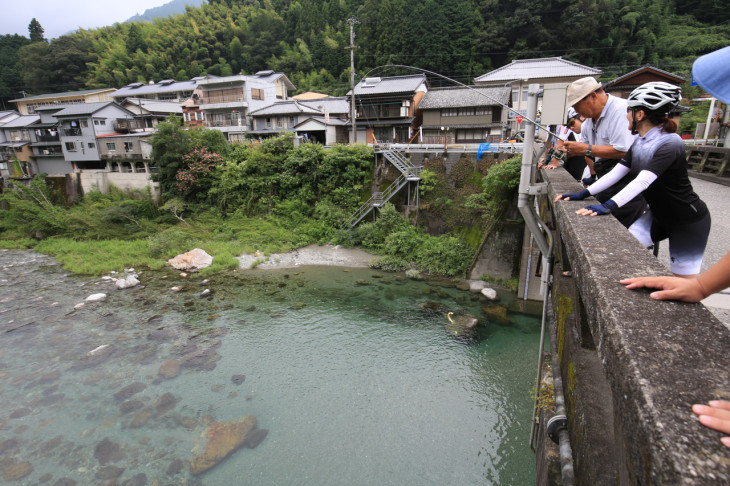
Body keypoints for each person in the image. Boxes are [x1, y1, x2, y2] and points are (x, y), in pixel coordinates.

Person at [557, 82, 711, 277]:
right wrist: (585, 192)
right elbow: (617, 172)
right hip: (658, 215)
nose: (626, 115)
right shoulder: (640, 141)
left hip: (686, 220)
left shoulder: (670, 143)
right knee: (623, 252)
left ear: (640, 115)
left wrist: (609, 205)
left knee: (685, 283)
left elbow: (643, 181)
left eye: (629, 111)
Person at [562, 77, 646, 228]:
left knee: (619, 228)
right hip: (606, 177)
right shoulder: (588, 122)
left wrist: (585, 149)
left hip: (628, 181)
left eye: (576, 105)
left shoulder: (621, 111)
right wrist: (592, 175)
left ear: (593, 96)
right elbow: (590, 152)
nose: (575, 110)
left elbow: (625, 150)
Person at [539, 108, 588, 181]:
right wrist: (546, 159)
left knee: (577, 180)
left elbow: (560, 143)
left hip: (578, 156)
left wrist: (554, 164)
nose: (571, 127)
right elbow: (548, 142)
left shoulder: (563, 123)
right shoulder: (551, 125)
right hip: (568, 156)